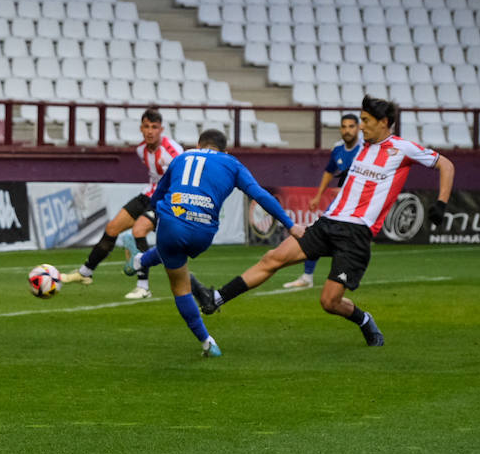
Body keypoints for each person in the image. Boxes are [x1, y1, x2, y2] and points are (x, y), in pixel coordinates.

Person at [191, 95, 454, 347]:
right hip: (328, 223)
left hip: (356, 234)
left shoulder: (403, 149)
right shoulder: (360, 147)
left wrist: (440, 203)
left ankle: (364, 319)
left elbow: (446, 165)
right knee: (273, 257)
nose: (361, 127)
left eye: (365, 121)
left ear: (384, 122)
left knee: (329, 302)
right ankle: (217, 298)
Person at [122, 128, 304, 357]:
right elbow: (260, 195)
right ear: (224, 150)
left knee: (179, 282)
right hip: (203, 233)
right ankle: (140, 261)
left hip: (170, 223)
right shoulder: (231, 162)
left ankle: (208, 342)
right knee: (177, 251)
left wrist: (156, 214)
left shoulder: (181, 157)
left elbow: (158, 194)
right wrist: (290, 225)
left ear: (199, 146)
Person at [61, 108, 183, 299]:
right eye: (146, 126)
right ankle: (86, 272)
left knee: (138, 231)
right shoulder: (141, 150)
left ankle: (143, 287)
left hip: (165, 200)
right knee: (112, 228)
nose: (150, 131)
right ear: (141, 128)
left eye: (154, 127)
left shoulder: (173, 151)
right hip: (147, 195)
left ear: (161, 129)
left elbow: (183, 179)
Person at [282, 113, 362, 289]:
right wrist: (318, 196)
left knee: (350, 238)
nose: (347, 130)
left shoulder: (365, 149)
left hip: (363, 202)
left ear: (358, 128)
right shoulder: (338, 149)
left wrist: (348, 188)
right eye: (344, 126)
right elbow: (329, 171)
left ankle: (343, 276)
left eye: (351, 126)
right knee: (319, 232)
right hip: (343, 202)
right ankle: (308, 277)